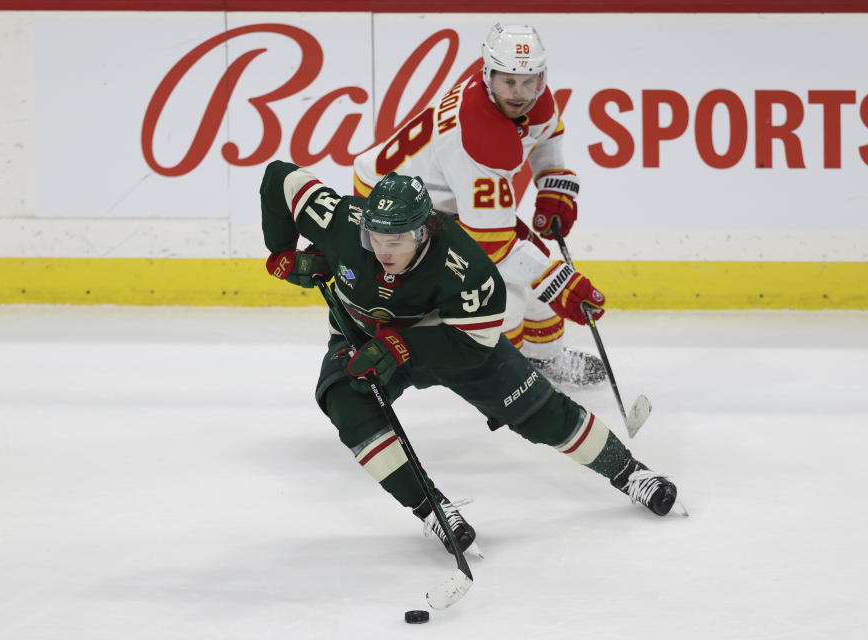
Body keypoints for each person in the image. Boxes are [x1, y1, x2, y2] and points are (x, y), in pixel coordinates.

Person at [261, 160, 680, 554]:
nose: (383, 251)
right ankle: (432, 509)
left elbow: (475, 343)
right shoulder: (341, 222)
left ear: (424, 231)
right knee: (344, 399)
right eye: (374, 238)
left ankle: (631, 473)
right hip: (364, 335)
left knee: (537, 411)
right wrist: (282, 249)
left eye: (397, 241)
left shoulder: (466, 267)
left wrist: (402, 346)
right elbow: (280, 176)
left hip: (451, 341)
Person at [353, 23, 606, 388]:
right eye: (508, 82)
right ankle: (507, 379)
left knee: (533, 276)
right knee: (509, 299)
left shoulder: (522, 95)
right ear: (488, 74)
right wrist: (559, 281)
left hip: (433, 198)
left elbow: (547, 133)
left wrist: (552, 182)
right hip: (392, 214)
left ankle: (546, 362)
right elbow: (492, 246)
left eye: (529, 81)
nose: (520, 93)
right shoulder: (480, 139)